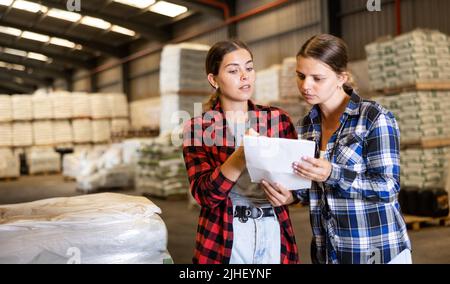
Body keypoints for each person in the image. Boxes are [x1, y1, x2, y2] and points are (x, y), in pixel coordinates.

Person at [261, 34, 412, 264]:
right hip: (328, 252)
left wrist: (333, 173)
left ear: (342, 77)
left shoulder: (373, 118)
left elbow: (388, 187)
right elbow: (310, 186)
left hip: (374, 251)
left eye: (317, 78)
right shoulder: (306, 126)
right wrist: (290, 196)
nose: (305, 85)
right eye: (301, 76)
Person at [182, 40, 299, 264]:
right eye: (234, 71)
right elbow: (205, 195)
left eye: (249, 67)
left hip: (273, 228)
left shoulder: (278, 120)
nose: (244, 76)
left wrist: (291, 197)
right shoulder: (198, 128)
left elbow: (298, 180)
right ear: (213, 80)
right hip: (227, 233)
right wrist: (242, 154)